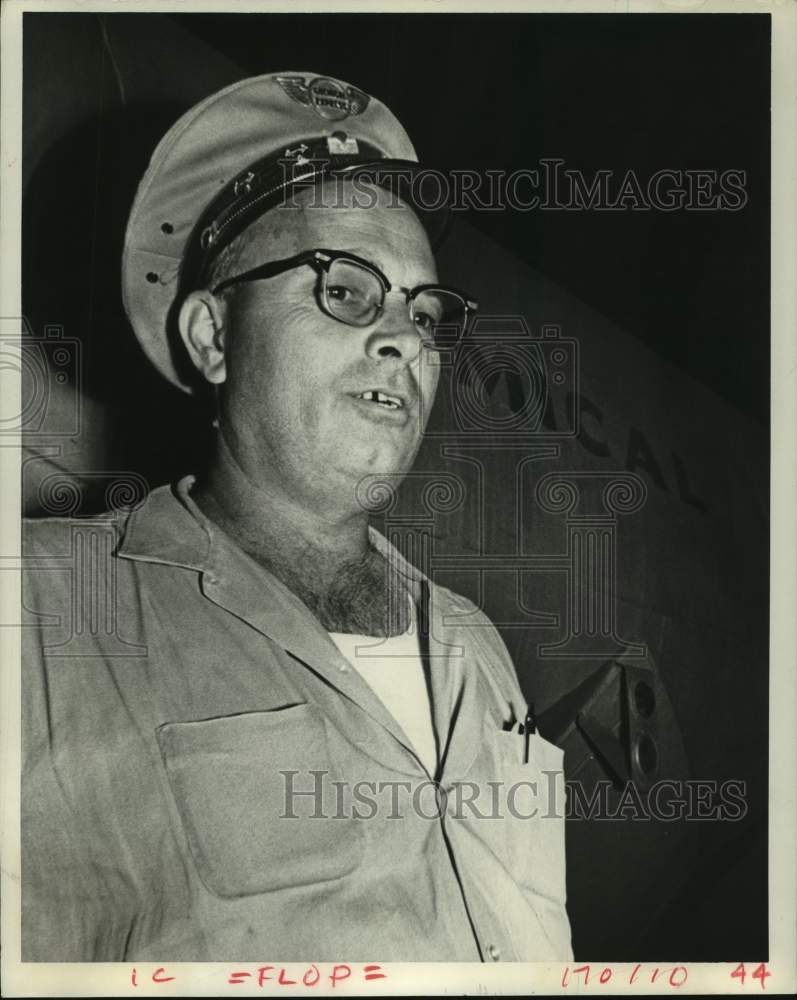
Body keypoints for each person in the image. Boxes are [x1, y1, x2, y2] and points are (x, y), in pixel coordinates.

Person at [21, 72, 572, 963]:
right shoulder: (41, 615)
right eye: (347, 290)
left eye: (424, 311)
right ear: (212, 338)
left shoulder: (474, 651)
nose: (404, 338)